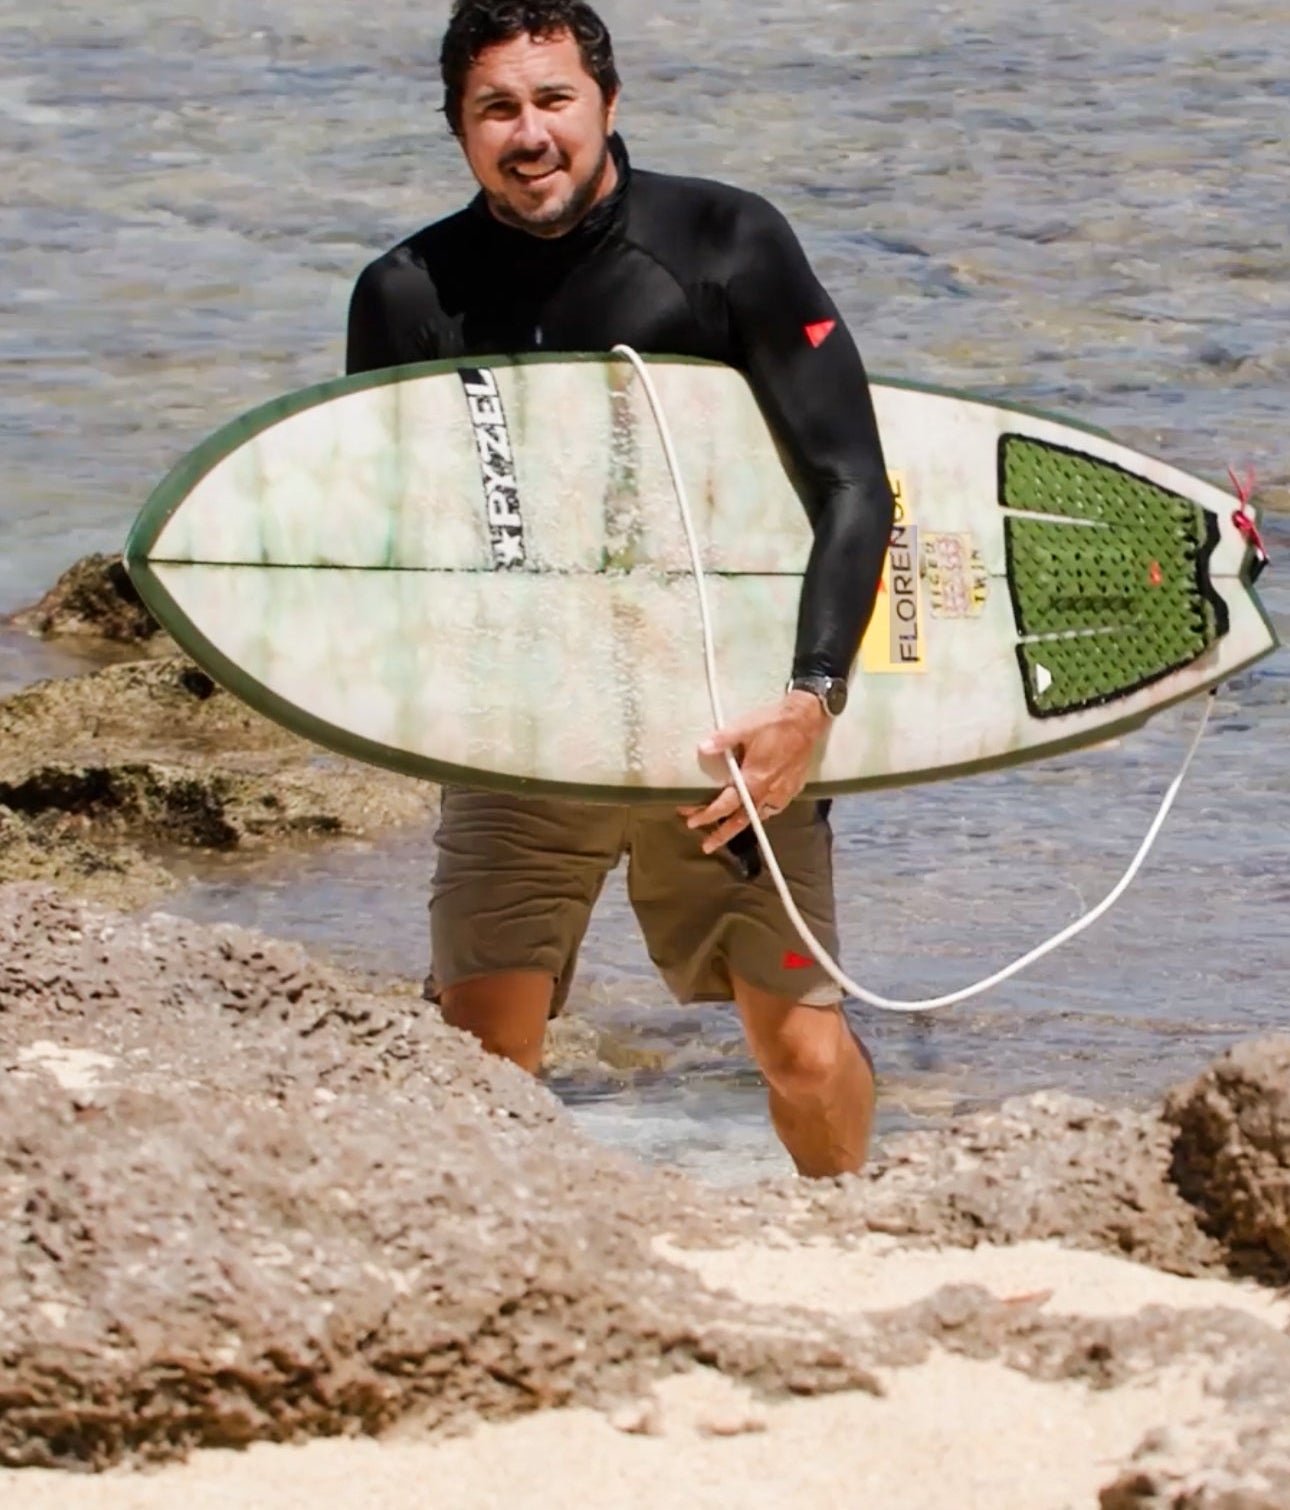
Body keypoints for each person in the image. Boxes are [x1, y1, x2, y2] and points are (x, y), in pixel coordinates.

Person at [343, 0, 892, 1176]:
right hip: (522, 734)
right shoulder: (405, 295)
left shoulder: (725, 244)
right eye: (497, 108)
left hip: (721, 731)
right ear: (458, 127)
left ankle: (857, 1225)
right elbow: (386, 539)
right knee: (478, 1067)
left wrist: (809, 703)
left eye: (553, 101)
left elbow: (854, 480)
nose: (529, 133)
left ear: (607, 105)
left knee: (798, 1054)